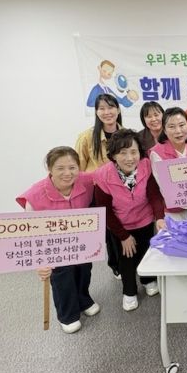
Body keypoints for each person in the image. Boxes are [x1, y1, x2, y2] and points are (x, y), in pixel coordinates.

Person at [16, 147, 99, 334]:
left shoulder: (87, 181)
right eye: (60, 168)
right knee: (63, 277)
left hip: (81, 240)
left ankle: (83, 299)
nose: (67, 173)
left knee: (84, 270)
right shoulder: (35, 195)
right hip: (54, 245)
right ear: (50, 169)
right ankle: (67, 314)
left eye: (72, 167)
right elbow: (29, 232)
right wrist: (39, 262)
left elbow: (106, 173)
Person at [94, 129, 164, 311]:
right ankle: (129, 291)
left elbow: (154, 195)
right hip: (120, 224)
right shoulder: (103, 176)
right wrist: (124, 236)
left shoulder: (146, 165)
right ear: (113, 155)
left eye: (134, 152)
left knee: (146, 252)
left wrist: (159, 217)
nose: (129, 158)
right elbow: (105, 211)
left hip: (144, 219)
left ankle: (148, 280)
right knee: (126, 259)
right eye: (123, 153)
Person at [75, 93, 123, 279]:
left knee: (121, 227)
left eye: (110, 107)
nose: (107, 112)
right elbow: (78, 169)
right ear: (96, 112)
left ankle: (125, 262)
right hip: (98, 192)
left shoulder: (126, 134)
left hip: (121, 190)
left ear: (118, 109)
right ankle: (115, 265)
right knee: (108, 231)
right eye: (102, 108)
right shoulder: (87, 137)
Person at [149, 107, 187, 225]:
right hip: (175, 212)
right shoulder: (157, 153)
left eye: (182, 125)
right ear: (164, 130)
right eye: (172, 127)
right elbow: (166, 189)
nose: (178, 131)